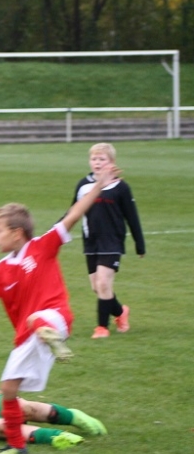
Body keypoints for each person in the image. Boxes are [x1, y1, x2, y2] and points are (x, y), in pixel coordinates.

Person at [0, 159, 119, 454]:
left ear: (17, 233)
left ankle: (52, 337)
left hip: (55, 318)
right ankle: (16, 445)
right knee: (8, 389)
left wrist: (99, 184)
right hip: (28, 335)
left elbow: (74, 214)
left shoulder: (43, 246)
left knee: (37, 318)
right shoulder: (1, 270)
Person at [70, 143, 145, 339]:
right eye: (94, 159)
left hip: (112, 242)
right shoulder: (83, 185)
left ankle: (101, 328)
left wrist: (139, 243)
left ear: (111, 162)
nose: (97, 162)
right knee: (97, 287)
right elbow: (73, 212)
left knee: (103, 283)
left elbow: (132, 217)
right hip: (91, 242)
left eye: (102, 159)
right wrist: (57, 230)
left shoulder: (121, 187)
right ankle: (120, 312)